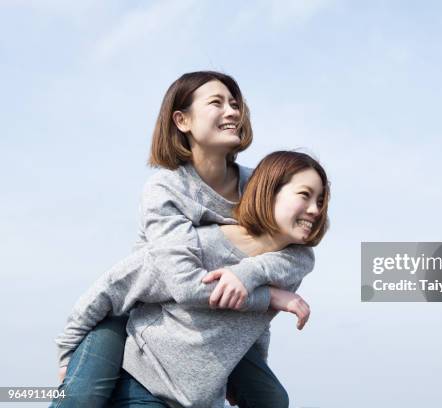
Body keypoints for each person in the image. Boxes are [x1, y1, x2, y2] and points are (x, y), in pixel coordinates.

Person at [52, 72, 316, 407]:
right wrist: (268, 296)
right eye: (217, 103)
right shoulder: (165, 189)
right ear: (182, 120)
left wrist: (249, 282)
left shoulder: (257, 187)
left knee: (271, 398)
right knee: (81, 397)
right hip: (139, 305)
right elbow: (185, 285)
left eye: (235, 104)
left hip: (214, 316)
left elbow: (292, 250)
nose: (233, 112)